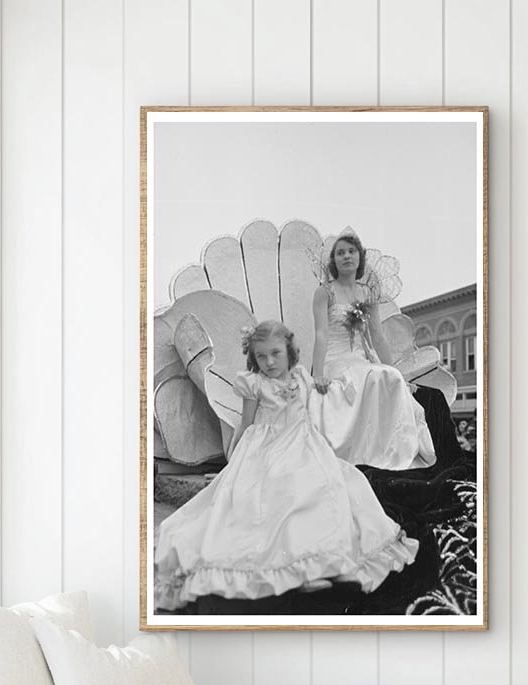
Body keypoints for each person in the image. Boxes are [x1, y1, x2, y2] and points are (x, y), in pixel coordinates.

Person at [154, 320, 419, 610]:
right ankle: (287, 566)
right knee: (265, 496)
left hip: (302, 440)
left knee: (327, 486)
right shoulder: (253, 383)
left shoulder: (302, 377)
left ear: (289, 351)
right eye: (261, 356)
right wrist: (235, 456)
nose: (269, 362)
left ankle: (321, 560)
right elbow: (247, 422)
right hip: (265, 446)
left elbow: (316, 410)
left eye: (275, 354)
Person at [310, 230, 436, 471]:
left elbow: (377, 336)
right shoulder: (324, 292)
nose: (346, 256)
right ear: (333, 260)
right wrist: (317, 374)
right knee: (372, 376)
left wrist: (399, 372)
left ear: (360, 257)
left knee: (387, 376)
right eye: (340, 253)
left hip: (360, 358)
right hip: (335, 359)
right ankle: (362, 452)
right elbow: (321, 334)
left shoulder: (367, 293)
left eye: (351, 251)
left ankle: (390, 451)